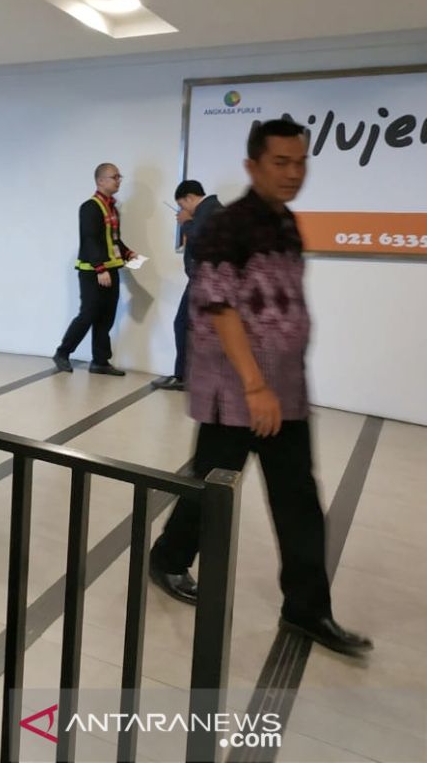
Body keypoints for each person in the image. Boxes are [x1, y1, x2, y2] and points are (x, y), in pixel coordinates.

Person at [148, 119, 372, 657]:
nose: (294, 173)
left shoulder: (287, 223)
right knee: (211, 488)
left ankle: (306, 608)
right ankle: (168, 560)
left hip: (283, 392)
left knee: (298, 499)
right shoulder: (229, 225)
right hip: (238, 394)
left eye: (301, 162)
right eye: (281, 162)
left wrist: (283, 382)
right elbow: (219, 307)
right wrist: (255, 386)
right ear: (253, 166)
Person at [53, 163, 137, 376]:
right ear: (100, 181)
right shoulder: (90, 207)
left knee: (106, 317)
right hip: (93, 271)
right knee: (88, 314)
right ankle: (62, 353)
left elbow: (113, 239)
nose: (118, 180)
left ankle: (100, 361)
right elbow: (90, 240)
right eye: (114, 176)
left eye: (119, 176)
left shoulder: (112, 208)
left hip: (111, 269)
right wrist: (100, 269)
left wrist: (128, 254)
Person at [153, 180, 221, 391]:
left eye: (182, 205)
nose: (182, 210)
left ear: (189, 198)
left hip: (204, 279)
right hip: (207, 279)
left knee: (183, 324)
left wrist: (186, 222)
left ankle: (182, 376)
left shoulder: (209, 211)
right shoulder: (212, 210)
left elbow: (202, 241)